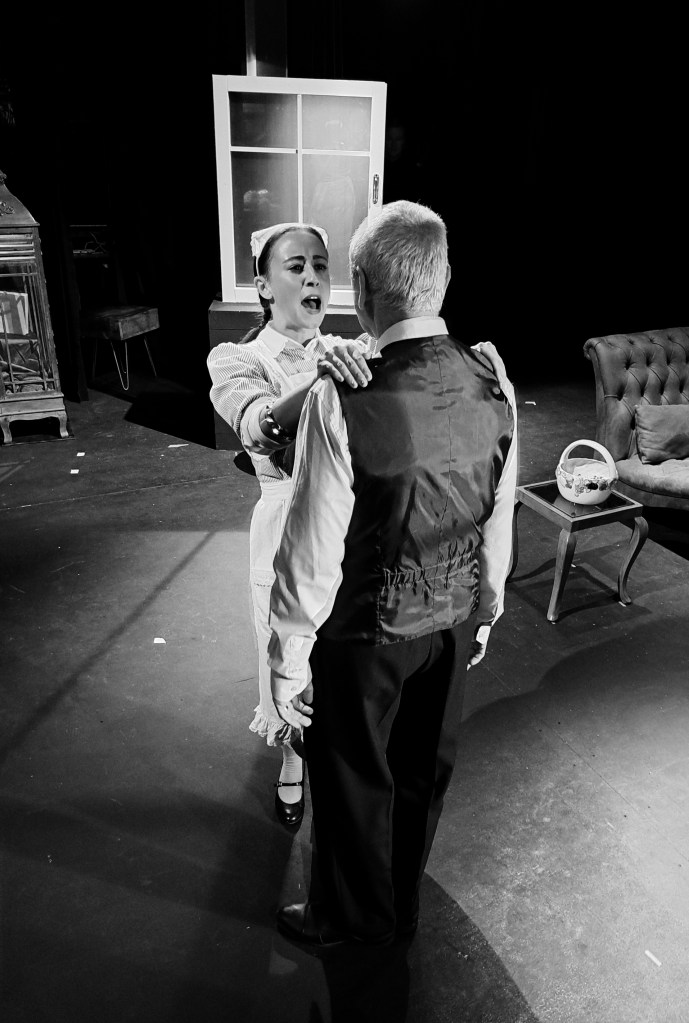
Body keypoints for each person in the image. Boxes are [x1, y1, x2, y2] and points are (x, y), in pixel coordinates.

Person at [267, 200, 518, 947]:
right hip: (453, 623)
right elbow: (498, 509)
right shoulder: (493, 378)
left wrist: (286, 660)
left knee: (351, 780)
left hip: (364, 633)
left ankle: (350, 919)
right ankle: (400, 906)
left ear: (362, 285)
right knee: (420, 774)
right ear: (444, 278)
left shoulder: (343, 395)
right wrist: (487, 607)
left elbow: (310, 549)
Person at [207, 222, 372, 828]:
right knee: (288, 651)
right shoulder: (238, 358)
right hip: (284, 525)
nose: (312, 278)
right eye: (296, 266)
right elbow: (257, 429)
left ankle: (343, 760)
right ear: (263, 285)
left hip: (351, 522)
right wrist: (322, 379)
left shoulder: (352, 349)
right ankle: (292, 759)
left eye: (321, 266)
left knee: (344, 651)